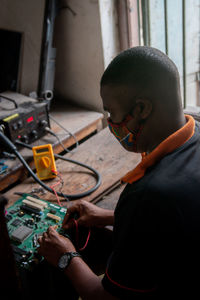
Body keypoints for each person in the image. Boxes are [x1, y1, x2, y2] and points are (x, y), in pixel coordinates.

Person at [38, 46, 200, 299]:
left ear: (141, 109)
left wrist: (65, 257)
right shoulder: (195, 133)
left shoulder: (148, 195)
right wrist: (109, 216)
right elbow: (175, 219)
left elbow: (106, 297)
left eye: (111, 112)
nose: (110, 122)